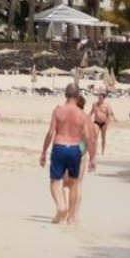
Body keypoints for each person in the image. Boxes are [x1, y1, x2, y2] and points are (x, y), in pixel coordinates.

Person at [40, 83, 98, 225]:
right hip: (74, 150)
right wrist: (92, 157)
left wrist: (43, 152)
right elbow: (89, 137)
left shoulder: (58, 110)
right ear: (78, 96)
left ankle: (61, 206)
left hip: (59, 146)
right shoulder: (82, 114)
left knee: (55, 180)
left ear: (65, 95)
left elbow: (50, 132)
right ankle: (71, 217)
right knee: (73, 184)